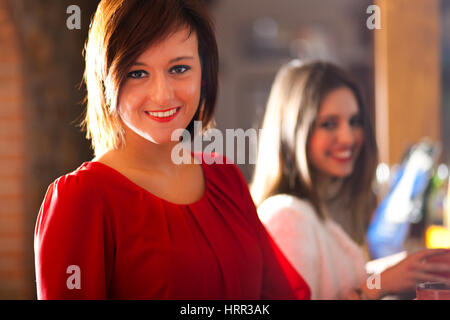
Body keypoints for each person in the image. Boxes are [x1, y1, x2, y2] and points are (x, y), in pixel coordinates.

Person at [34, 0, 311, 300]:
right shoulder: (82, 199)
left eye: (179, 68)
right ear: (105, 80)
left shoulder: (224, 177)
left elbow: (277, 294)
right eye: (137, 73)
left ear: (204, 75)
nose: (162, 94)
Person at [251, 60, 450, 300]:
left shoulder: (314, 213)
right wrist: (378, 284)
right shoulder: (286, 216)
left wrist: (396, 269)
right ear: (293, 131)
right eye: (329, 124)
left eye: (354, 122)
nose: (348, 137)